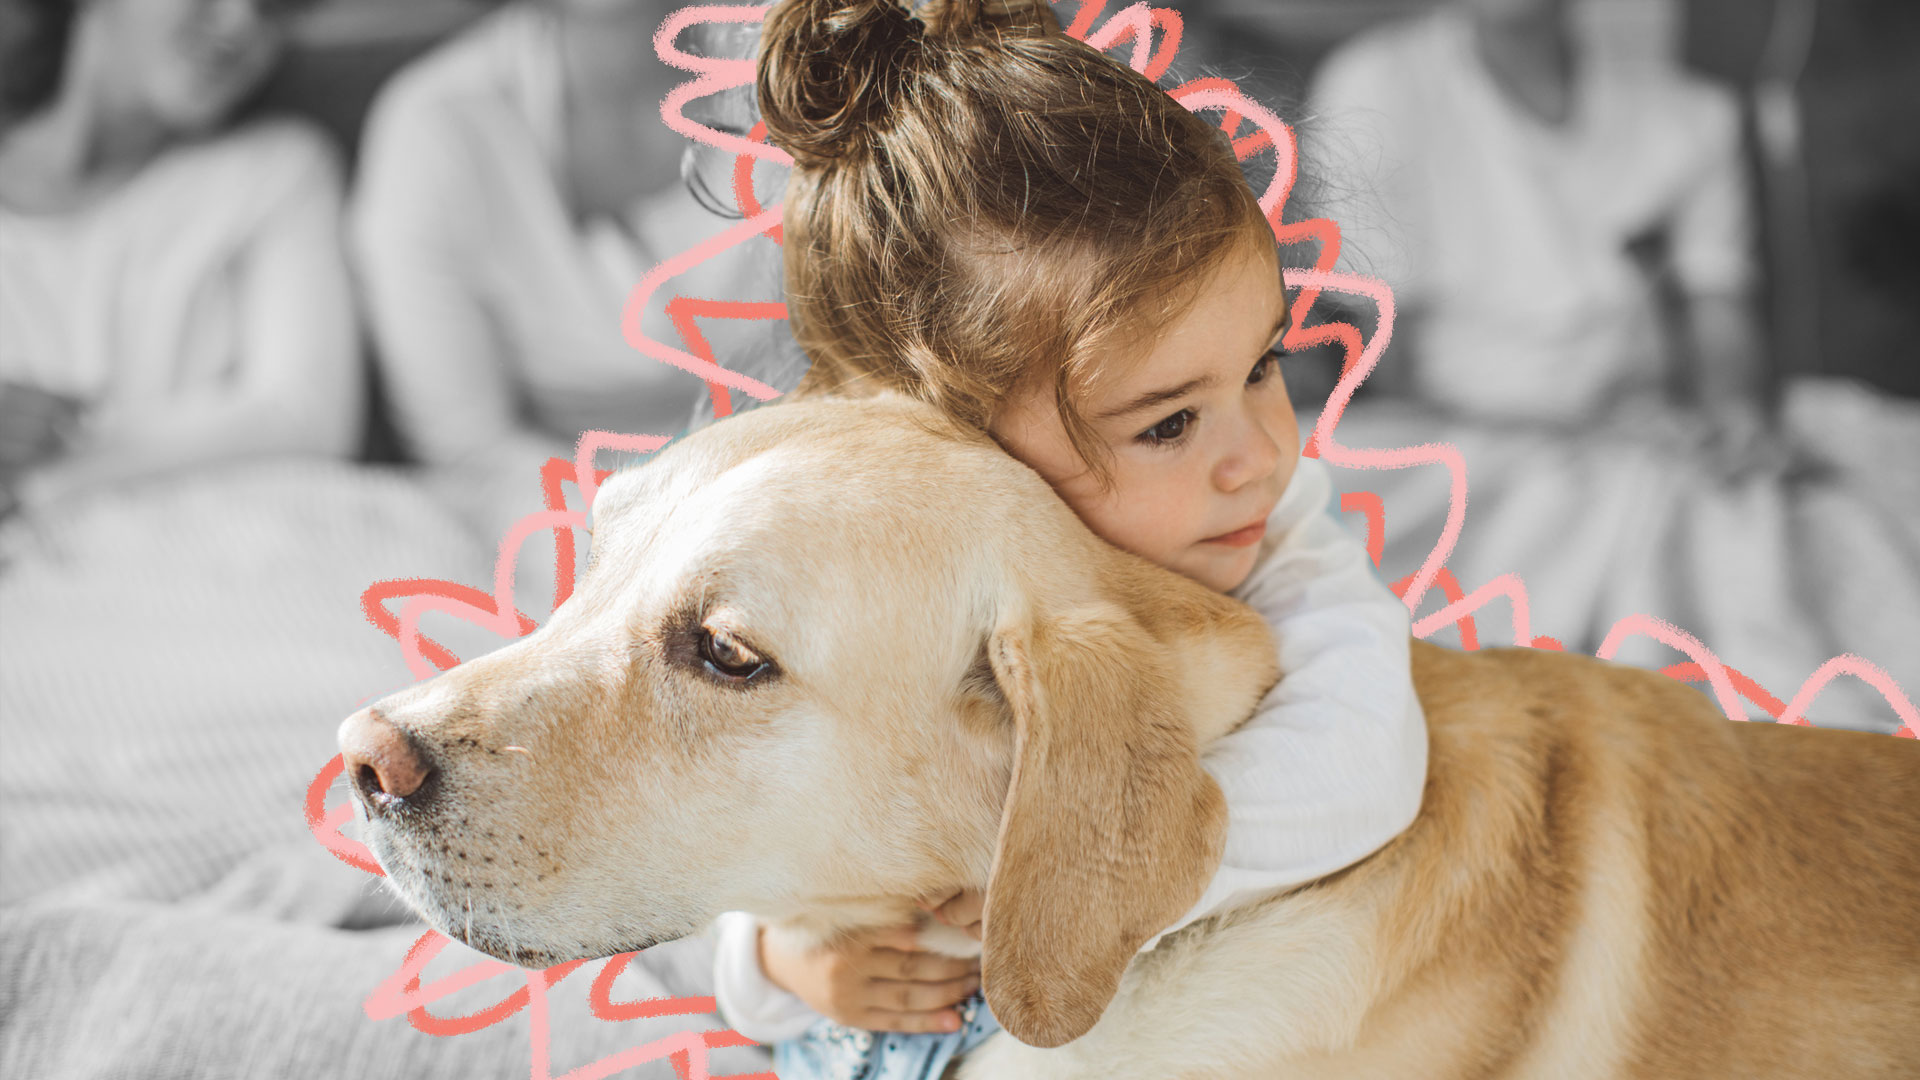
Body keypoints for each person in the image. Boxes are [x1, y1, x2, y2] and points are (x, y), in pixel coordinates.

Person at [704, 2, 1431, 1077]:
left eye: (1263, 369)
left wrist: (1096, 876)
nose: (1261, 455)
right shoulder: (836, 587)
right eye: (1170, 424)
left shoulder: (1278, 539)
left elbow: (1366, 756)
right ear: (944, 444)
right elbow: (725, 804)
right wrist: (771, 962)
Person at [1300, 0, 1919, 724]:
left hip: (1645, 432)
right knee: (1320, 469)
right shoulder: (1379, 84)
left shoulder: (1686, 116)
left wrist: (1733, 414)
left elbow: (1720, 311)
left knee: (1779, 501)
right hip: (1461, 443)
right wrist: (1572, 441)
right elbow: (1386, 353)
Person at [349, 0, 787, 479]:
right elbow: (469, 449)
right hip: (568, 519)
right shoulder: (435, 130)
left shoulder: (808, 75)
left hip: (806, 479)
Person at [0, 0, 360, 519]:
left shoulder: (275, 170)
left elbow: (305, 418)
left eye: (274, 8)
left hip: (233, 554)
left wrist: (49, 466)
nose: (241, 23)